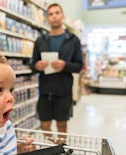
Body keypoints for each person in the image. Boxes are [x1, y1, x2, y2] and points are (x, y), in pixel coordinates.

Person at [30, 3, 84, 143]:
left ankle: (60, 151)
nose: (54, 16)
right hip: (45, 90)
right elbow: (32, 64)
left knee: (62, 125)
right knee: (44, 124)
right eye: (51, 14)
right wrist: (37, 65)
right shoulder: (41, 40)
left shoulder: (73, 40)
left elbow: (79, 66)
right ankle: (52, 146)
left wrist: (65, 65)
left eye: (57, 13)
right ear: (47, 18)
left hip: (63, 90)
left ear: (62, 16)